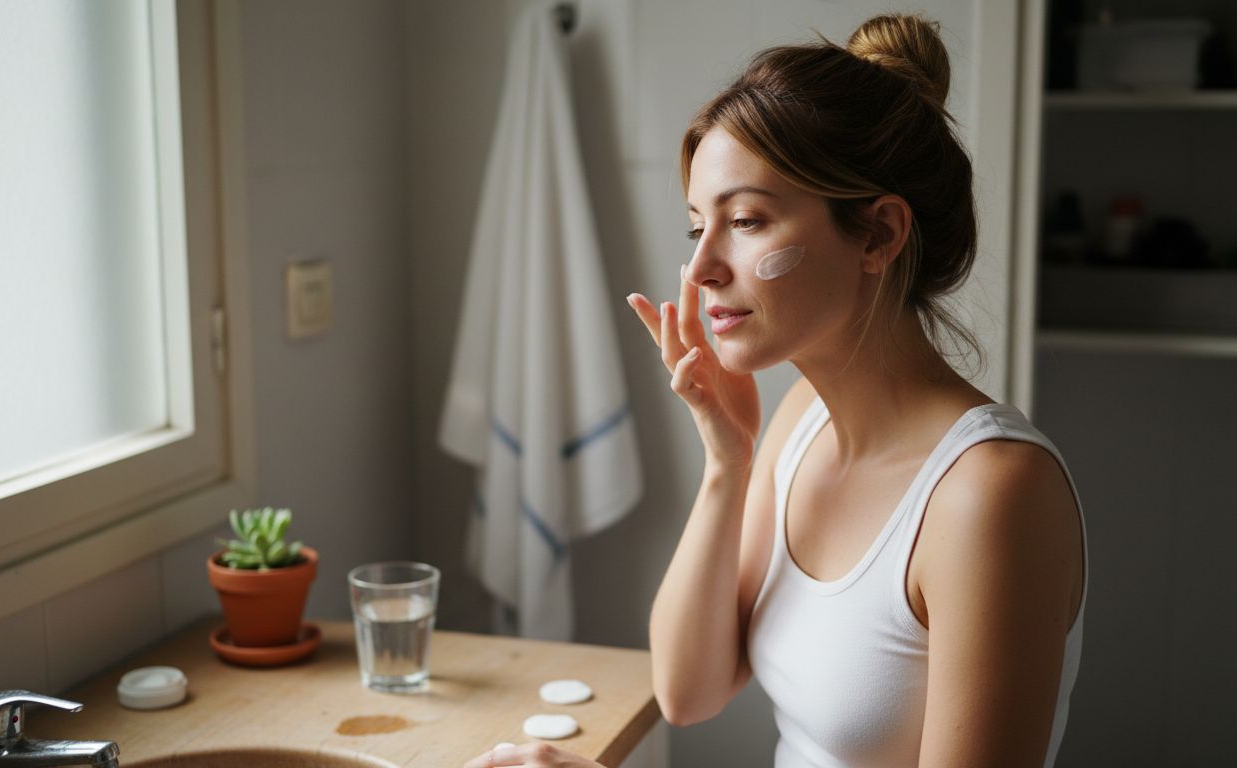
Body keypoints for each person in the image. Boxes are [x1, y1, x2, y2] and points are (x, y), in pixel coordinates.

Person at [464, 12, 1086, 768]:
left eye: (748, 221)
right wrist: (727, 463)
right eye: (698, 227)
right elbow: (688, 691)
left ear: (880, 235)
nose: (700, 271)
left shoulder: (990, 495)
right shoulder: (801, 425)